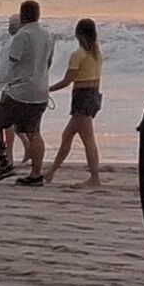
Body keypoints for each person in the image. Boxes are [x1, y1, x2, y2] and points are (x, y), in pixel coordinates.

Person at [0, 0, 54, 183]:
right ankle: (36, 174)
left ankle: (4, 163)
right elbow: (48, 64)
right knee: (34, 132)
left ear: (22, 15)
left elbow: (10, 65)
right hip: (41, 91)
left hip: (20, 91)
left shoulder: (22, 36)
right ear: (38, 14)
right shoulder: (48, 36)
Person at [43, 18, 107, 190]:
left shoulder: (78, 55)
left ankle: (94, 178)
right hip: (93, 96)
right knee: (68, 136)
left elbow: (67, 81)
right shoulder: (97, 54)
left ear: (78, 34)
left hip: (81, 98)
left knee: (87, 139)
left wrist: (48, 89)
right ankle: (51, 172)